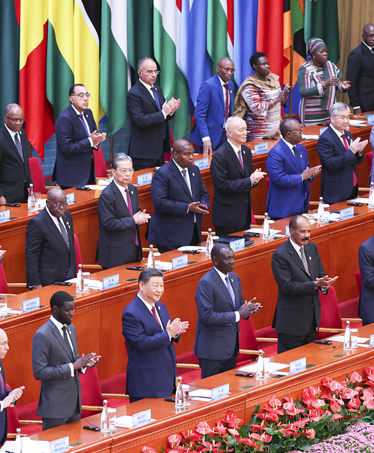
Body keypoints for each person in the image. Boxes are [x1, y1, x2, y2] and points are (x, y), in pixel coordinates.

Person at [32, 291, 100, 430]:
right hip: (55, 408)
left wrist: (84, 364)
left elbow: (72, 360)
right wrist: (72, 366)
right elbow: (39, 372)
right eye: (68, 310)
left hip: (74, 404)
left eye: (73, 309)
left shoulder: (71, 328)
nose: (71, 313)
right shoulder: (42, 335)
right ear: (55, 309)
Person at [121, 268, 189, 402]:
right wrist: (168, 334)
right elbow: (141, 343)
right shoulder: (131, 313)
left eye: (162, 285)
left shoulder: (160, 307)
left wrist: (174, 333)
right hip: (146, 384)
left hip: (165, 378)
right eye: (155, 285)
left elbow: (166, 333)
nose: (160, 290)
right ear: (142, 285)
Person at [194, 244, 260, 378]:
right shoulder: (206, 282)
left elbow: (238, 306)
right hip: (212, 350)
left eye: (233, 257)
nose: (232, 261)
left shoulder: (234, 278)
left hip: (231, 347)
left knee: (229, 386)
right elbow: (207, 316)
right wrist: (239, 314)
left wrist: (248, 309)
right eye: (227, 258)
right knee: (212, 388)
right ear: (215, 260)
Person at [271, 215, 336, 352]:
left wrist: (324, 284)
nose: (307, 235)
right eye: (302, 232)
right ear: (291, 230)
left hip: (311, 319)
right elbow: (287, 288)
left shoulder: (312, 247)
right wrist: (315, 284)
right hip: (292, 323)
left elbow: (320, 274)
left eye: (309, 231)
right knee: (290, 362)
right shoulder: (280, 254)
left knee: (310, 360)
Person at [148, 139, 210, 252]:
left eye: (192, 153)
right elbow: (160, 202)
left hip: (193, 230)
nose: (191, 157)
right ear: (175, 155)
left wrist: (203, 204)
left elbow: (203, 193)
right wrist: (188, 207)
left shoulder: (194, 169)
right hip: (170, 235)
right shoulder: (162, 173)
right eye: (187, 154)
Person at [210, 116, 265, 236]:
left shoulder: (246, 152)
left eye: (246, 129)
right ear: (229, 133)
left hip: (244, 214)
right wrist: (249, 180)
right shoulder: (220, 155)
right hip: (228, 217)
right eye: (241, 130)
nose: (245, 133)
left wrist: (254, 180)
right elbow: (223, 185)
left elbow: (248, 180)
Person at [97, 153, 149, 269]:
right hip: (116, 254)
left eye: (130, 170)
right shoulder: (107, 195)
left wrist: (140, 219)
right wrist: (133, 220)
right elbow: (108, 224)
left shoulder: (133, 189)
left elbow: (134, 214)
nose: (128, 174)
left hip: (133, 249)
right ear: (113, 172)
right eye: (123, 171)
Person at [126, 57, 179, 170]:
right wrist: (164, 113)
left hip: (159, 148)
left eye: (155, 71)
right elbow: (140, 120)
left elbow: (163, 115)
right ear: (140, 72)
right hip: (143, 153)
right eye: (149, 72)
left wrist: (171, 110)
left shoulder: (157, 89)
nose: (154, 75)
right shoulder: (134, 93)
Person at [266, 118, 319, 220]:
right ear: (289, 134)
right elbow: (278, 179)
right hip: (284, 208)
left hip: (301, 204)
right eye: (299, 131)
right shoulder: (276, 152)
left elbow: (305, 170)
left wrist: (311, 174)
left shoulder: (301, 149)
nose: (302, 133)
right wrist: (302, 176)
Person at [54, 84, 105, 188]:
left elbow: (92, 138)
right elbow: (67, 148)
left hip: (88, 173)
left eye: (87, 95)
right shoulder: (64, 118)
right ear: (71, 99)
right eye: (81, 95)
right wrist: (91, 141)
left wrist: (96, 141)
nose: (85, 99)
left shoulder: (88, 113)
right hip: (71, 176)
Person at [25, 188, 76, 289]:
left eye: (64, 204)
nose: (61, 208)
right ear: (48, 203)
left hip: (69, 278)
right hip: (49, 281)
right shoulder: (37, 223)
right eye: (58, 204)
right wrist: (35, 284)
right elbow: (31, 256)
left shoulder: (67, 216)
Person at [318, 103, 369, 203]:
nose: (346, 121)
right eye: (342, 117)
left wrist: (358, 152)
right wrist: (351, 152)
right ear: (332, 119)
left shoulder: (348, 135)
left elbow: (355, 161)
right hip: (336, 191)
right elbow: (331, 163)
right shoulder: (325, 139)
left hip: (351, 188)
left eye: (348, 117)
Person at [234, 52, 289, 141]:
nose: (267, 66)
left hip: (275, 130)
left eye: (267, 63)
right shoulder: (250, 85)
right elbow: (257, 109)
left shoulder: (273, 79)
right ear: (255, 66)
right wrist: (277, 99)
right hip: (258, 134)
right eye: (263, 64)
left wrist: (284, 95)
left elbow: (281, 103)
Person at [0, 104, 33, 206]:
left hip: (23, 193)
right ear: (5, 118)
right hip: (6, 194)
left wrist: (30, 184)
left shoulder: (23, 134)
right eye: (14, 120)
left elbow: (24, 163)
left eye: (21, 120)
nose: (18, 123)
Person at [297, 38, 350, 127]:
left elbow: (335, 84)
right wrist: (324, 84)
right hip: (311, 113)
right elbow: (303, 92)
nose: (325, 54)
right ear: (313, 55)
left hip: (330, 112)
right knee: (313, 135)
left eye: (326, 51)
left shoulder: (330, 65)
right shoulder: (305, 69)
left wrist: (341, 86)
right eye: (321, 52)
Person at [191, 57, 238, 154]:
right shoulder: (208, 85)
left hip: (225, 135)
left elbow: (227, 110)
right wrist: (206, 138)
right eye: (226, 69)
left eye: (232, 70)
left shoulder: (231, 85)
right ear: (218, 69)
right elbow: (199, 115)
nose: (229, 73)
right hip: (210, 136)